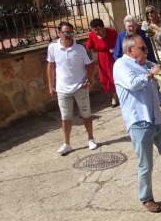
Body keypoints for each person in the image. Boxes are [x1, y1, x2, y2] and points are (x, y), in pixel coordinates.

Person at [113, 35, 161, 213]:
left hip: (156, 119)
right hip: (139, 121)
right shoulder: (121, 65)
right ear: (131, 50)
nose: (146, 51)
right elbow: (132, 83)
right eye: (142, 48)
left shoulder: (144, 64)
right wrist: (151, 74)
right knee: (145, 163)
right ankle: (146, 198)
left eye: (146, 48)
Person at [47, 21, 98, 155]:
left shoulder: (80, 48)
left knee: (86, 114)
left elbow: (90, 65)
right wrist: (50, 85)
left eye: (70, 32)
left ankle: (91, 139)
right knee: (65, 116)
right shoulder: (52, 47)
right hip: (62, 88)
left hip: (79, 86)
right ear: (59, 33)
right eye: (65, 32)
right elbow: (51, 66)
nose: (68, 35)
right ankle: (66, 143)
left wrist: (88, 80)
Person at [86, 18, 118, 107]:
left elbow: (119, 43)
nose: (96, 31)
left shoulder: (111, 32)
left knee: (113, 78)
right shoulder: (92, 35)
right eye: (94, 29)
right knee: (105, 78)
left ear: (103, 27)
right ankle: (114, 94)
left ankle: (115, 97)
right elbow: (89, 47)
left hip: (113, 57)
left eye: (98, 29)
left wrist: (115, 49)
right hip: (102, 58)